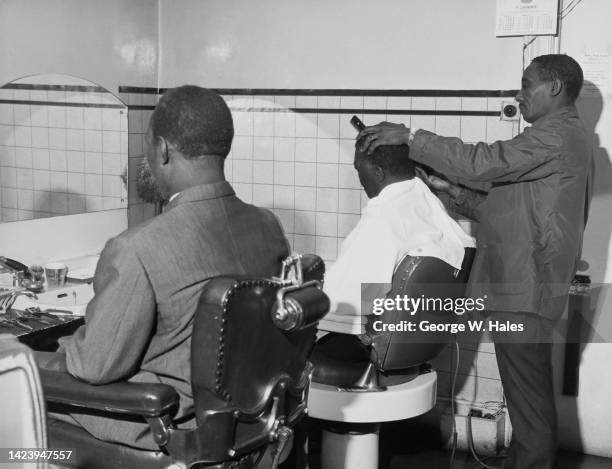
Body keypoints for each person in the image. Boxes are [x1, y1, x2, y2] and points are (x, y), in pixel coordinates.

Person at [358, 54, 592, 469]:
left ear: (555, 87)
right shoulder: (554, 141)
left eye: (527, 85)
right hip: (519, 286)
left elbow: (485, 162)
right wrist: (451, 190)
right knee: (525, 398)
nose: (519, 96)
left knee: (531, 406)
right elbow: (505, 212)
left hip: (527, 288)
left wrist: (411, 137)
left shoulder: (556, 135)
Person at [37, 86, 290, 449]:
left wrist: (31, 358)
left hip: (165, 425)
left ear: (164, 149)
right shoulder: (268, 226)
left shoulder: (138, 247)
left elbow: (95, 366)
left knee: (14, 382)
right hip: (245, 418)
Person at [323, 143, 474, 320]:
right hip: (420, 338)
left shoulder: (382, 217)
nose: (360, 179)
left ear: (378, 173)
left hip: (363, 340)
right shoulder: (428, 203)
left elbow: (351, 299)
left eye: (359, 170)